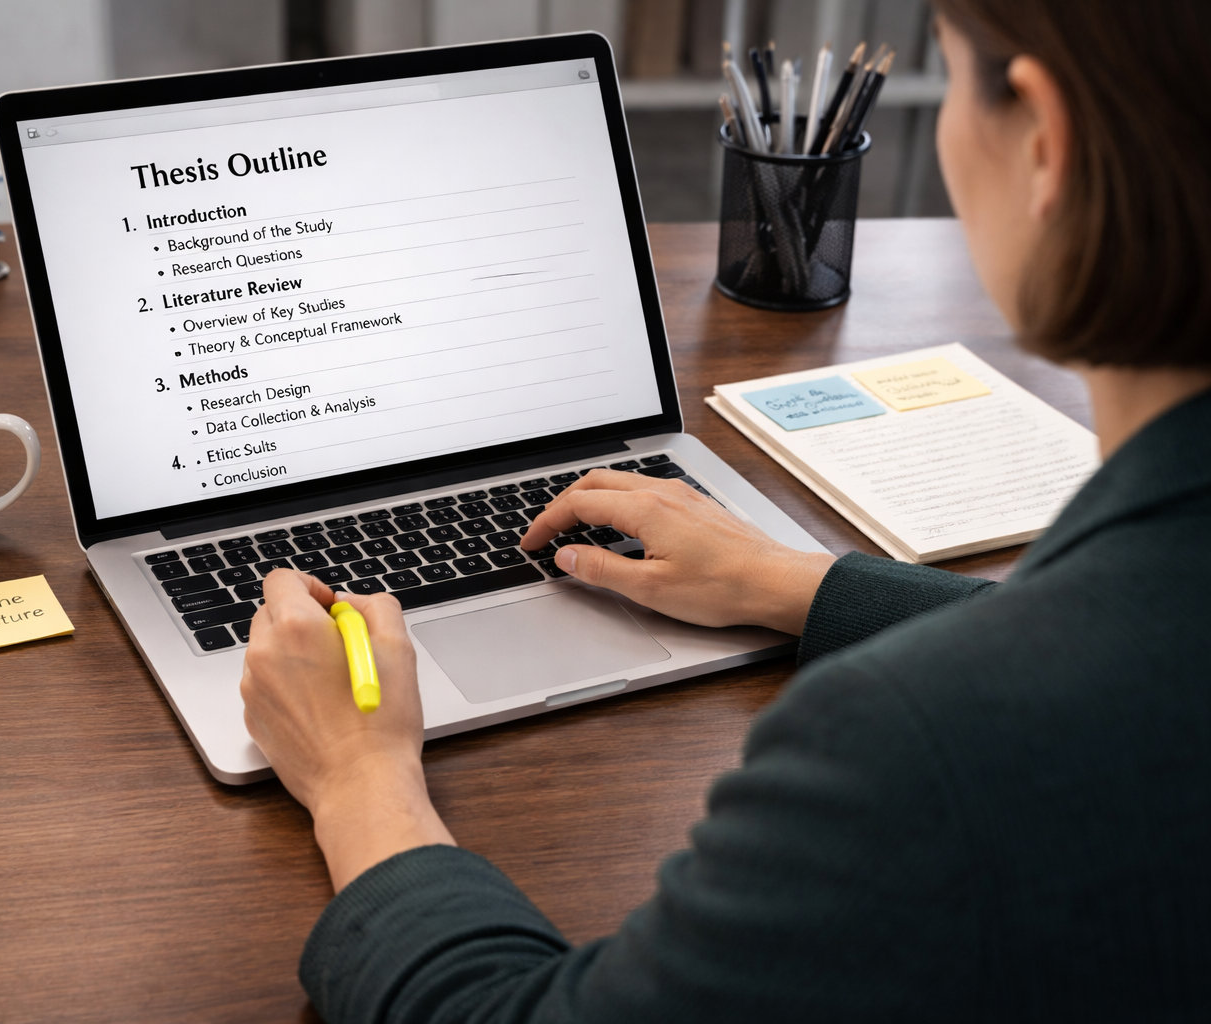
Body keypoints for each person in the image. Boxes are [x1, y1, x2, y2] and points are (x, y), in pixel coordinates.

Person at [240, 1, 1211, 1019]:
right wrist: (791, 579)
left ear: (1045, 142)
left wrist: (359, 780)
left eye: (961, 78)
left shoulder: (908, 749)